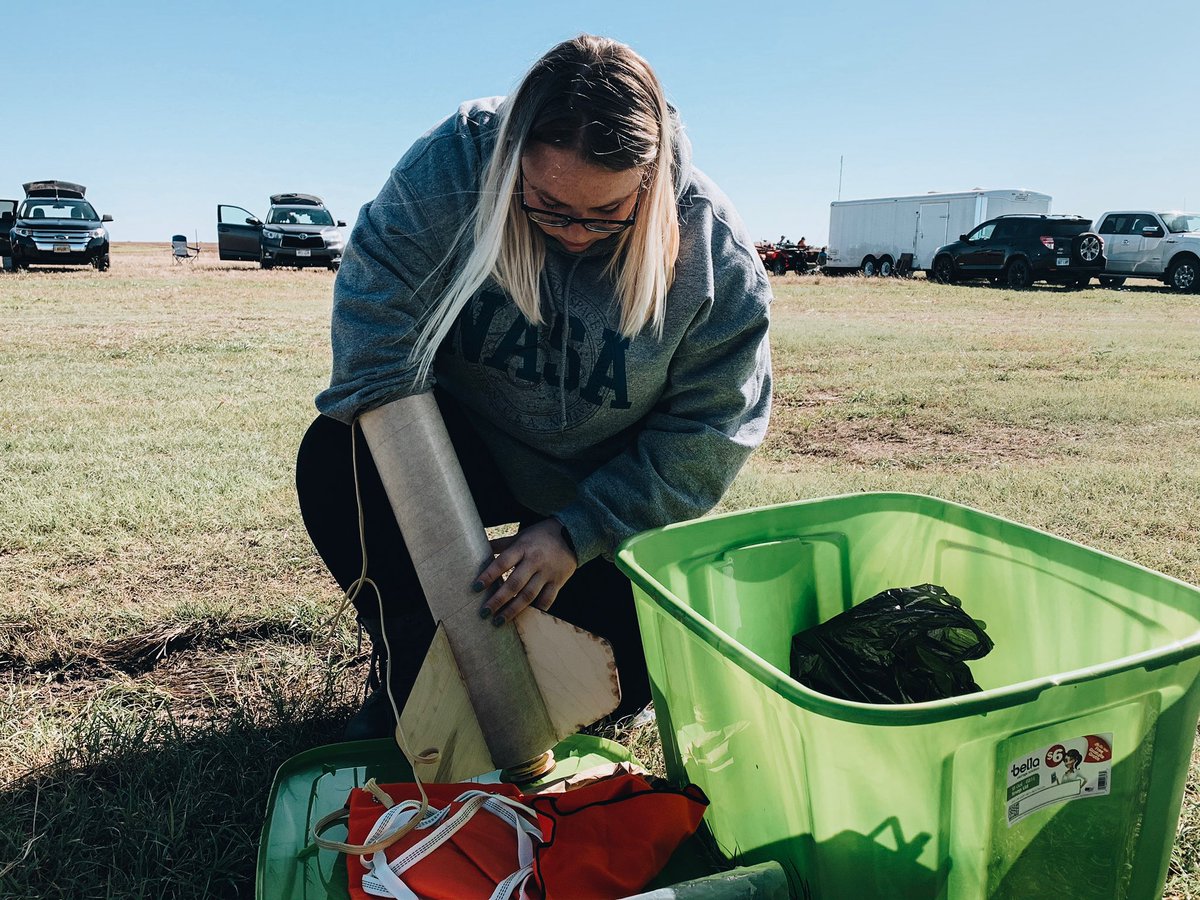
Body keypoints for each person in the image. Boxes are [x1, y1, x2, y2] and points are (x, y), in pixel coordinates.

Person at [296, 34, 773, 740]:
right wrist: (442, 545)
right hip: (468, 445)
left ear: (650, 183)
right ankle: (412, 665)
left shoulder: (715, 255)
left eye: (607, 213)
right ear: (513, 156)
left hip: (604, 477)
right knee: (339, 460)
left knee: (613, 687)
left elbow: (710, 429)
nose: (575, 233)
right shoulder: (454, 163)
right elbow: (377, 318)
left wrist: (577, 534)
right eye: (547, 203)